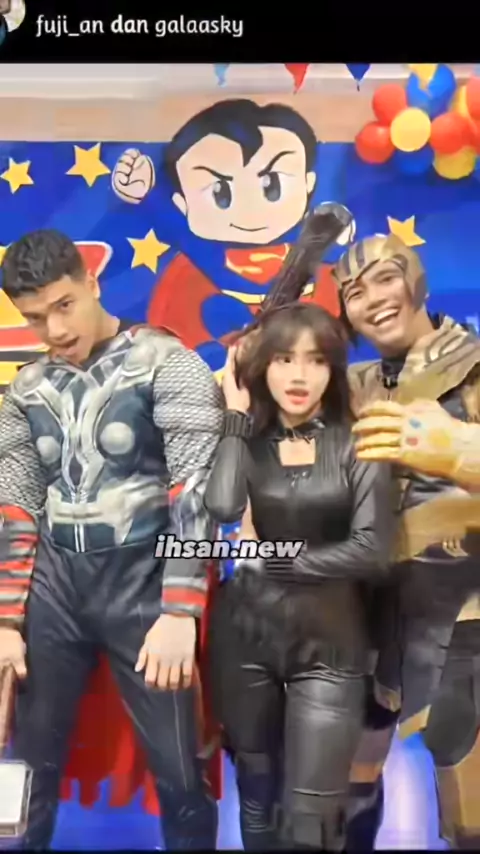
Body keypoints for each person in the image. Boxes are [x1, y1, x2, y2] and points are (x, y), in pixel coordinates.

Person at [0, 229, 223, 850]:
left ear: (92, 283)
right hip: (55, 588)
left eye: (64, 305)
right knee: (25, 767)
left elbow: (196, 491)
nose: (54, 329)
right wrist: (6, 621)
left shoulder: (167, 362)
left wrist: (180, 608)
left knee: (181, 771)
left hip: (144, 585)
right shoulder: (24, 391)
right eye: (35, 317)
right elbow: (17, 509)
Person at [203, 302, 395, 851]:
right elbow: (222, 506)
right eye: (284, 359)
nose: (298, 375)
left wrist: (278, 559)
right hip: (245, 636)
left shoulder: (358, 443)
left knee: (314, 811)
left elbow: (372, 552)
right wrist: (235, 418)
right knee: (257, 790)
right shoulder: (246, 440)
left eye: (315, 361)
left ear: (333, 370)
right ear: (262, 367)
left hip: (330, 643)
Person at [332, 232, 480, 850]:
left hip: (463, 611)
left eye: (385, 279)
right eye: (354, 292)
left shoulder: (474, 365)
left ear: (415, 280)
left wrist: (460, 450)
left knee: (468, 797)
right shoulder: (351, 385)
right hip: (370, 611)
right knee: (344, 779)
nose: (373, 299)